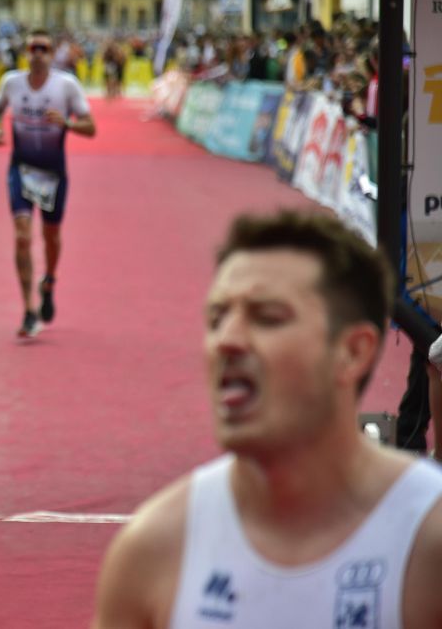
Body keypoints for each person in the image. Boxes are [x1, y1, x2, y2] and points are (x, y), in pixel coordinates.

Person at [92, 210, 442, 629]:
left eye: (267, 317)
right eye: (217, 319)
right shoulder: (154, 548)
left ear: (354, 352)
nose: (228, 340)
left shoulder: (429, 541)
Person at [0, 28, 96, 337]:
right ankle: (29, 310)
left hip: (53, 174)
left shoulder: (66, 85)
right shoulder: (11, 82)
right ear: (26, 52)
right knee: (22, 236)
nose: (38, 53)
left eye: (44, 48)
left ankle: (49, 278)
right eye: (33, 48)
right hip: (20, 170)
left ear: (52, 54)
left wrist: (67, 123)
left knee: (51, 235)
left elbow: (91, 127)